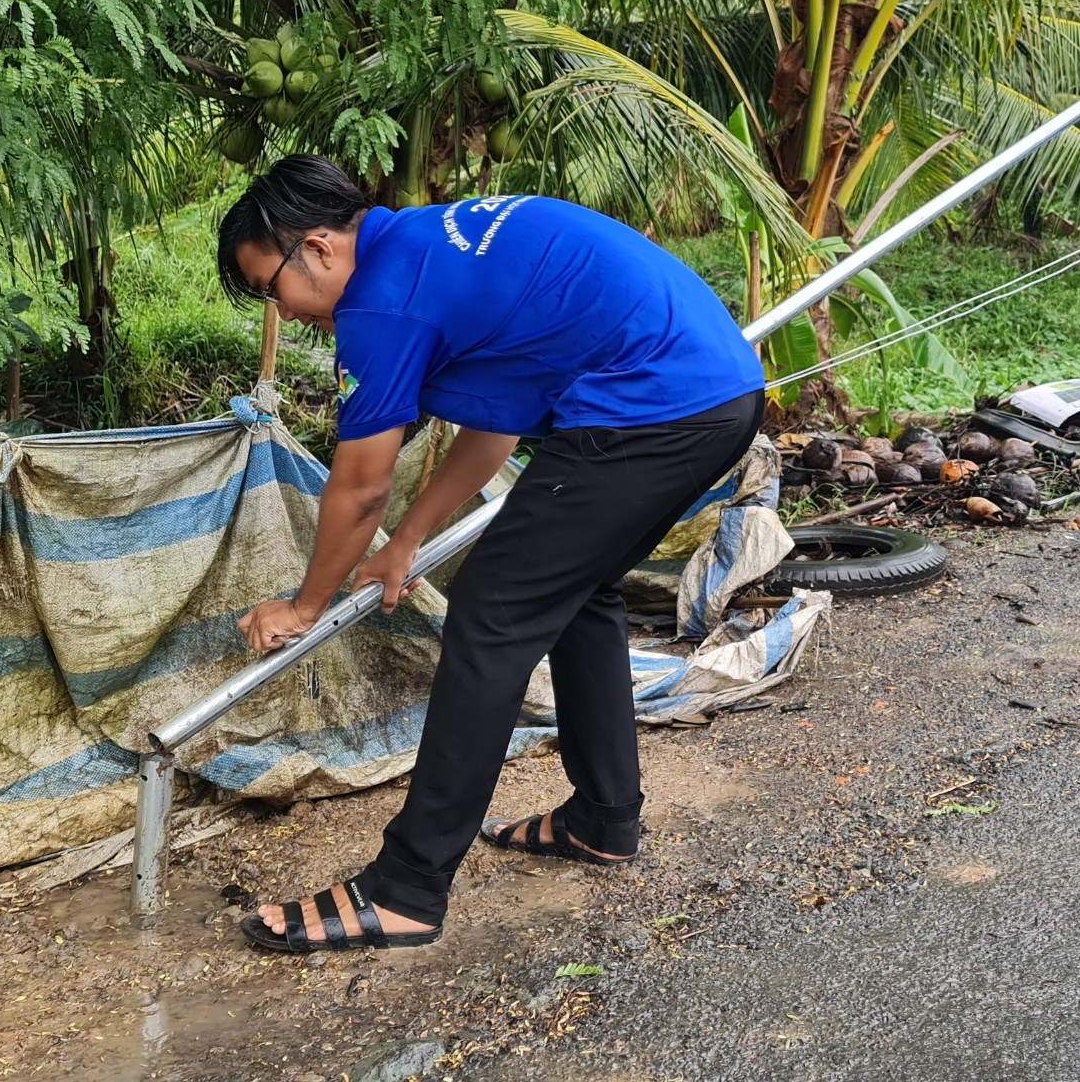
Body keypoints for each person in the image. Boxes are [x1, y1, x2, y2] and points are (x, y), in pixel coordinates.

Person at [214, 157, 766, 956]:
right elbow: (495, 428)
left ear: (321, 249)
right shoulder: (425, 248)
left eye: (274, 288)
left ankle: (405, 889)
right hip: (708, 394)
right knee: (582, 591)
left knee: (494, 613)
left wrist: (305, 607)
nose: (285, 312)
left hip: (653, 406)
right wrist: (404, 546)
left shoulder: (383, 302)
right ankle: (605, 819)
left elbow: (359, 486)